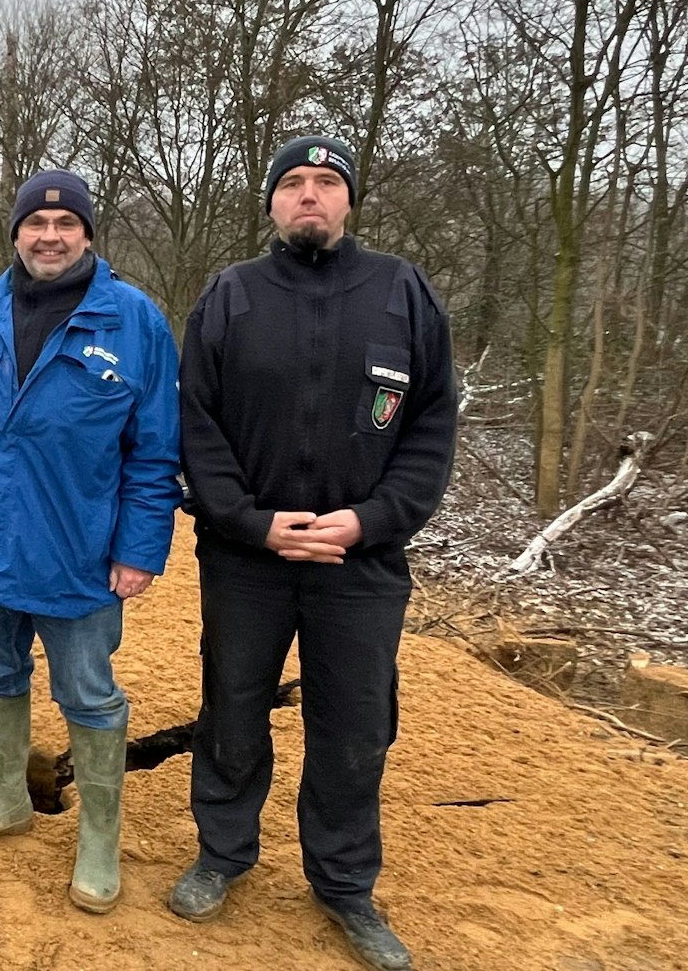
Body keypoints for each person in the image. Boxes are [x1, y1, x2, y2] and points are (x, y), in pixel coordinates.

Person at [172, 136, 456, 970]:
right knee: (232, 704)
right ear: (271, 202)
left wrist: (371, 519)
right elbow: (197, 422)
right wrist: (250, 519)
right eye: (292, 182)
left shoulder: (403, 293)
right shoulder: (231, 295)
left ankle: (343, 884)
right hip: (246, 557)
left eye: (326, 182)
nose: (309, 195)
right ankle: (222, 852)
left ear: (349, 200)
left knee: (355, 724)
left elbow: (432, 425)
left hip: (358, 566)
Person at [0, 170, 181, 913]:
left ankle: (99, 835)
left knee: (89, 694)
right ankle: (5, 799)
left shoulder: (134, 322)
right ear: (17, 234)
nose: (50, 236)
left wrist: (139, 548)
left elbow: (156, 451)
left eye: (67, 225)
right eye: (36, 224)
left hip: (78, 550)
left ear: (89, 235)